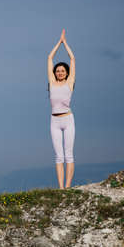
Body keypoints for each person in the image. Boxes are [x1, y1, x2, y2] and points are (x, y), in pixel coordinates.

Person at [47, 29, 76, 189]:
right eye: (57, 71)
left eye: (62, 71)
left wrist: (65, 43)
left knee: (68, 155)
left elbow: (72, 58)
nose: (59, 72)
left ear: (66, 73)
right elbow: (50, 58)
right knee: (59, 157)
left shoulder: (69, 82)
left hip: (68, 119)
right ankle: (61, 188)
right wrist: (58, 42)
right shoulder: (52, 82)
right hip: (54, 121)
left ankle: (68, 186)